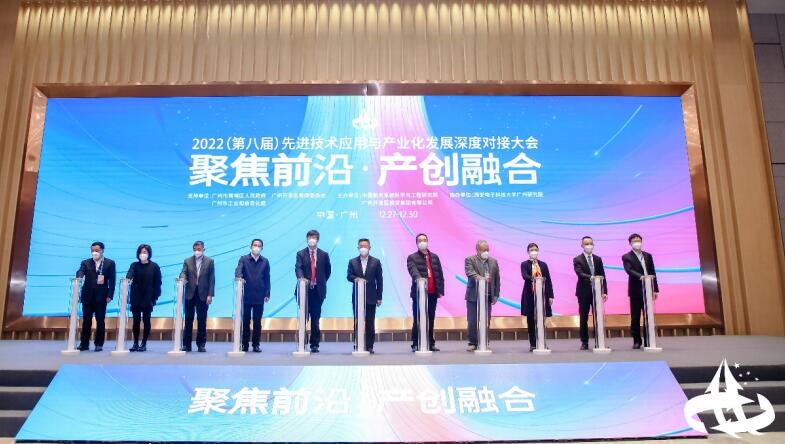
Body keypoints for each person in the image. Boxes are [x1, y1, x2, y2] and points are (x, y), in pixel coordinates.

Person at [75, 241, 116, 352]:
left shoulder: (110, 263)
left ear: (102, 250)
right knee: (86, 321)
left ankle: (99, 344)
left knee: (100, 321)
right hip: (87, 296)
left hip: (102, 296)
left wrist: (110, 295)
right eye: (92, 250)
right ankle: (84, 344)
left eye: (97, 250)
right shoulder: (86, 262)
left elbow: (112, 281)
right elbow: (80, 271)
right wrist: (79, 276)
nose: (94, 252)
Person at [406, 233, 444, 352]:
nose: (423, 242)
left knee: (430, 318)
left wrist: (440, 290)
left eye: (424, 240)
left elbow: (440, 274)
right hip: (419, 294)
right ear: (417, 243)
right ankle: (416, 343)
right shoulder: (412, 257)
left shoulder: (435, 257)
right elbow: (413, 271)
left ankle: (430, 343)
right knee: (418, 318)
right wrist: (419, 279)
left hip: (432, 293)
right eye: (420, 240)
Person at [295, 230, 331, 353]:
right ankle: (302, 342)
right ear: (307, 239)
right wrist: (302, 279)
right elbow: (298, 268)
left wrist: (319, 282)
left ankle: (314, 344)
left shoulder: (324, 254)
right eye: (310, 237)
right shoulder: (301, 254)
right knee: (303, 317)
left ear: (317, 239)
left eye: (314, 237)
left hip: (318, 291)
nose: (312, 239)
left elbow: (327, 271)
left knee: (315, 319)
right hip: (304, 290)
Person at [622, 233, 659, 349]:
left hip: (648, 290)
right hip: (635, 290)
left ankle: (649, 339)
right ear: (630, 243)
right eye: (634, 241)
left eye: (639, 241)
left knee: (648, 316)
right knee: (635, 317)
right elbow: (629, 270)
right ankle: (637, 340)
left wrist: (655, 289)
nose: (637, 243)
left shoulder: (648, 256)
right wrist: (641, 277)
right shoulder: (626, 256)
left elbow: (652, 272)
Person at [346, 238, 383, 353]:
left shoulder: (376, 262)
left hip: (371, 297)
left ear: (369, 248)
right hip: (357, 297)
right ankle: (358, 343)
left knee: (370, 323)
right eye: (361, 246)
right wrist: (356, 279)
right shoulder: (352, 261)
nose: (363, 248)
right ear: (358, 248)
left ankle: (369, 346)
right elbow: (349, 276)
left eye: (365, 246)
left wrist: (379, 296)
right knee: (358, 322)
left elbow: (379, 280)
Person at [235, 239, 271, 353]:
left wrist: (267, 293)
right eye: (255, 245)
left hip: (259, 296)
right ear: (250, 246)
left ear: (262, 248)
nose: (257, 247)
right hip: (246, 295)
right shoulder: (244, 259)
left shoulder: (265, 261)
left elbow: (267, 278)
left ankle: (256, 344)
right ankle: (244, 344)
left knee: (257, 322)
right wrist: (239, 277)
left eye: (259, 246)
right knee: (245, 321)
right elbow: (238, 270)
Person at [464, 240, 500, 351]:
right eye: (483, 250)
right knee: (472, 321)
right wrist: (481, 279)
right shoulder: (470, 260)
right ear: (477, 250)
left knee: (486, 320)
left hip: (487, 296)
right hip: (473, 296)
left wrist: (496, 295)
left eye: (487, 249)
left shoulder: (493, 261)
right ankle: (473, 343)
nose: (486, 252)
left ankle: (484, 341)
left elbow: (497, 279)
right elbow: (470, 272)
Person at [573, 236, 608, 350]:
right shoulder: (577, 259)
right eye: (586, 244)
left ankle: (600, 341)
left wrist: (604, 291)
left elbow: (602, 275)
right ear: (582, 245)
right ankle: (584, 342)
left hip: (597, 292)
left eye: (590, 243)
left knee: (598, 317)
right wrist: (591, 277)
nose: (589, 245)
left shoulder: (598, 259)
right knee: (584, 318)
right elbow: (579, 273)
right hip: (584, 292)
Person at [180, 240, 215, 352]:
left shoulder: (209, 261)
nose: (197, 251)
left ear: (203, 249)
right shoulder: (187, 261)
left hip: (203, 294)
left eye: (199, 249)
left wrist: (210, 295)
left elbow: (211, 279)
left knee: (202, 320)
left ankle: (201, 344)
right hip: (189, 294)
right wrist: (182, 278)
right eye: (195, 249)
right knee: (188, 319)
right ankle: (186, 345)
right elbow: (184, 272)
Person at [127, 244, 162, 352]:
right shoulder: (134, 265)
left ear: (149, 253)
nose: (143, 254)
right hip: (136, 297)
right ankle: (135, 343)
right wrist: (127, 278)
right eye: (141, 252)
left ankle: (144, 343)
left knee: (146, 320)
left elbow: (158, 283)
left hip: (148, 297)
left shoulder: (154, 266)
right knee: (136, 321)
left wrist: (155, 297)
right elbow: (129, 275)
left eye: (145, 252)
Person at [521, 243, 554, 352]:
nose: (534, 251)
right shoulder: (524, 264)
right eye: (532, 250)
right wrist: (535, 278)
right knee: (531, 320)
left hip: (542, 295)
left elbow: (548, 280)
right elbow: (525, 276)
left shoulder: (543, 265)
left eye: (535, 249)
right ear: (528, 252)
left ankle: (542, 342)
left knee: (542, 319)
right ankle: (533, 344)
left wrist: (550, 296)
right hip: (530, 295)